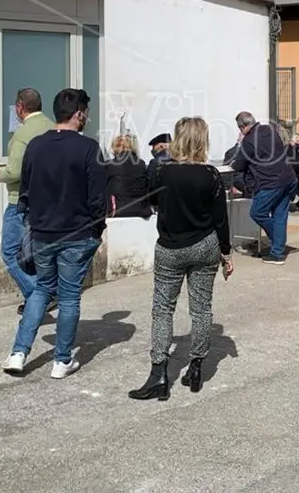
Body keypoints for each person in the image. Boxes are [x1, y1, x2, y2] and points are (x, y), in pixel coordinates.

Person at [129, 117, 234, 401]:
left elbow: (153, 202)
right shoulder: (211, 174)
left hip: (170, 246)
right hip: (205, 245)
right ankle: (196, 367)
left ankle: (159, 374)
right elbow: (220, 218)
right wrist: (226, 252)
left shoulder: (162, 172)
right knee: (201, 309)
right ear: (202, 140)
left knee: (163, 309)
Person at [4, 89, 106, 379]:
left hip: (43, 233)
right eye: (86, 113)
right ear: (79, 114)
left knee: (41, 289)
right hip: (77, 234)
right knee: (69, 296)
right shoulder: (89, 148)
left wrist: (31, 221)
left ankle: (18, 353)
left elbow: (25, 189)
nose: (87, 118)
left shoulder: (36, 145)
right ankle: (62, 360)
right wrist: (97, 230)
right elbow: (98, 197)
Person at [0, 88, 55, 313]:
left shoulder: (22, 134)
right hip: (47, 199)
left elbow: (15, 171)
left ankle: (39, 296)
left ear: (19, 107)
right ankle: (44, 293)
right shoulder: (52, 127)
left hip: (20, 200)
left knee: (10, 252)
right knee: (38, 251)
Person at [231, 111, 297, 265]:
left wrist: (240, 146)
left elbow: (239, 165)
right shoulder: (270, 129)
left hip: (270, 183)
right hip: (288, 178)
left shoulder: (248, 141)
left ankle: (278, 242)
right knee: (280, 215)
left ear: (242, 127)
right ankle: (277, 253)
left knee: (257, 212)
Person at [105, 134, 154, 218]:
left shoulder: (109, 165)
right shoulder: (141, 164)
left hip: (118, 210)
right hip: (141, 209)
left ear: (114, 148)